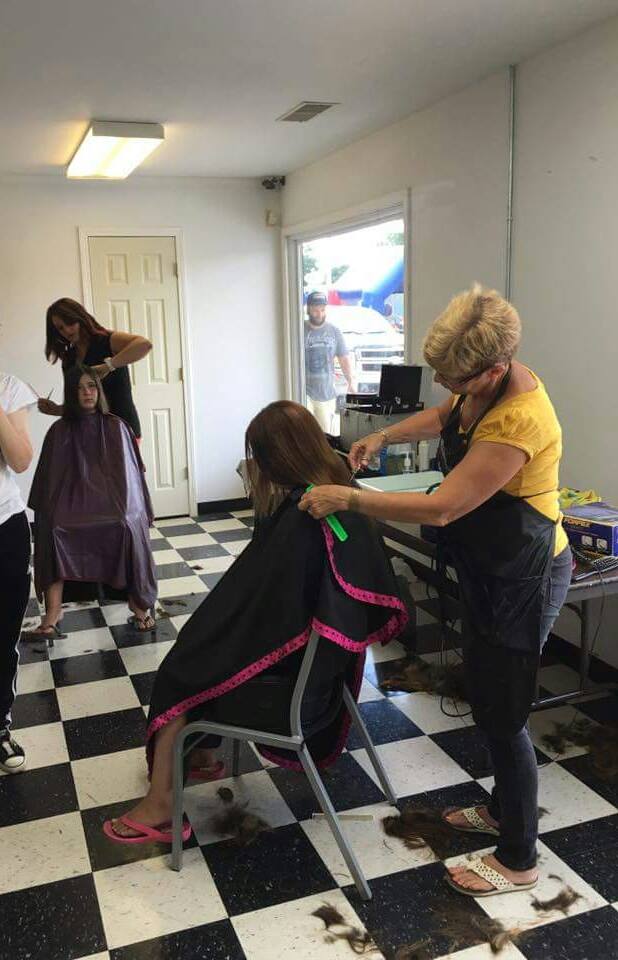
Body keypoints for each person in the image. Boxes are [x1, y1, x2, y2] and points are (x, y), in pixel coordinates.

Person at [300, 284, 572, 898]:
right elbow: (444, 417)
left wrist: (351, 497)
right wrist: (384, 436)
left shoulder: (519, 417)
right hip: (492, 565)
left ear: (495, 368)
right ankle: (504, 812)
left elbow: (445, 508)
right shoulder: (481, 390)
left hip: (525, 573)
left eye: (459, 379)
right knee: (487, 695)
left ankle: (518, 859)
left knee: (504, 716)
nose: (450, 391)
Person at [104, 400, 407, 843]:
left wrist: (206, 640)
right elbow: (267, 608)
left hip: (287, 699)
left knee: (179, 673)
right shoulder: (342, 505)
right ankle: (202, 756)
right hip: (325, 686)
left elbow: (256, 616)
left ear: (274, 459)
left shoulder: (302, 522)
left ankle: (161, 805)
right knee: (203, 652)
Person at [27, 365, 157, 640]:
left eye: (91, 386)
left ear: (99, 390)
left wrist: (130, 509)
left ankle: (140, 606)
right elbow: (49, 483)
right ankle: (53, 612)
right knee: (52, 528)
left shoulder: (117, 426)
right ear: (70, 395)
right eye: (78, 388)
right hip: (70, 506)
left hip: (114, 505)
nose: (86, 393)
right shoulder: (59, 430)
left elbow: (130, 480)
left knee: (126, 523)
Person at [39, 298, 151, 440]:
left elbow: (144, 345)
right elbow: (81, 403)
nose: (67, 330)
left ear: (79, 317)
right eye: (60, 328)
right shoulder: (69, 359)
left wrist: (109, 366)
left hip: (122, 430)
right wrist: (57, 410)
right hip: (90, 434)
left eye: (70, 322)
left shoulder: (107, 340)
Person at [0, 371, 37, 772]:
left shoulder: (8, 387)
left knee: (3, 634)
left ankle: (0, 729)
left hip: (4, 526)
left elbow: (21, 459)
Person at [304, 291, 355, 433]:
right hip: (304, 391)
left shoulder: (334, 331)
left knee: (325, 434)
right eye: (315, 310)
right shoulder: (299, 330)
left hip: (326, 392)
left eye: (322, 309)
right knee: (304, 431)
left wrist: (350, 381)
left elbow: (343, 357)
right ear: (308, 309)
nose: (319, 313)